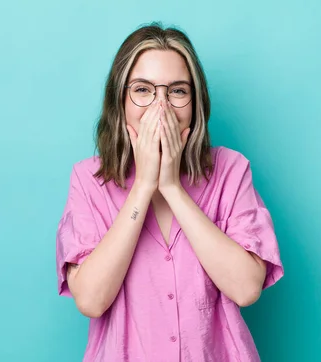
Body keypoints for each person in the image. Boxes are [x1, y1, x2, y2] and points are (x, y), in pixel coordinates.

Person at [55, 22, 284, 362]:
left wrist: (172, 188)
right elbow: (90, 299)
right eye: (143, 90)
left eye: (177, 91)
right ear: (120, 102)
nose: (160, 107)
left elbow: (246, 288)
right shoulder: (89, 180)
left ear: (195, 103)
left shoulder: (231, 170)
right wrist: (144, 186)